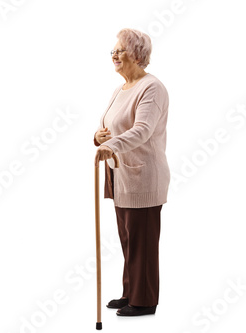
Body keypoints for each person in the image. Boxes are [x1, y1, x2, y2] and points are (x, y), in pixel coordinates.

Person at [94, 28, 170, 317]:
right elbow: (110, 126)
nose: (114, 55)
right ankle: (131, 293)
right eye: (112, 50)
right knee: (128, 238)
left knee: (143, 241)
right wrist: (99, 137)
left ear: (137, 55)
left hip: (143, 175)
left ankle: (145, 299)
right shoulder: (121, 88)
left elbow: (142, 130)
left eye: (120, 50)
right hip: (120, 173)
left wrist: (110, 143)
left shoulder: (152, 88)